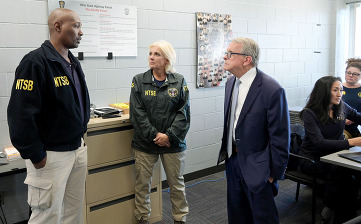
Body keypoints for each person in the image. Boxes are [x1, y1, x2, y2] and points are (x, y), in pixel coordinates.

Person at [7, 8, 89, 224]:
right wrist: (35, 154)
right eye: (77, 26)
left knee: (73, 213)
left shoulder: (72, 62)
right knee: (47, 216)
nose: (81, 32)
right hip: (50, 156)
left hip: (77, 150)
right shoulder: (35, 63)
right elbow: (20, 116)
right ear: (58, 26)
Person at [217, 37, 290, 224]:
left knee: (263, 218)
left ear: (247, 59)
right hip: (233, 162)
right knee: (237, 214)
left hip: (260, 167)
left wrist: (274, 174)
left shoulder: (271, 89)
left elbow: (280, 137)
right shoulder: (230, 84)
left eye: (230, 53)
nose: (225, 57)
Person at [130, 40, 190, 224]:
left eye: (157, 54)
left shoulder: (179, 81)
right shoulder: (139, 80)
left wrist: (169, 136)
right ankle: (142, 219)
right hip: (145, 143)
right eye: (150, 53)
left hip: (173, 144)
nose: (151, 57)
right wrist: (155, 136)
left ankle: (180, 219)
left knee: (177, 186)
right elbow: (137, 113)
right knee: (142, 186)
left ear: (166, 59)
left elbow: (184, 113)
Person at [299, 76, 361, 224]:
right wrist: (352, 141)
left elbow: (359, 117)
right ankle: (341, 214)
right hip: (313, 158)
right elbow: (319, 143)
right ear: (324, 92)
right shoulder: (309, 113)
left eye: (341, 90)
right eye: (335, 90)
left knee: (347, 177)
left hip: (336, 156)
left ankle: (331, 208)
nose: (340, 94)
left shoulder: (341, 106)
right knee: (345, 177)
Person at [342, 58, 361, 138]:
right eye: (348, 73)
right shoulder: (337, 88)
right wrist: (343, 119)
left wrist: (355, 118)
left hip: (355, 128)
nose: (350, 75)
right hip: (339, 128)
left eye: (355, 74)